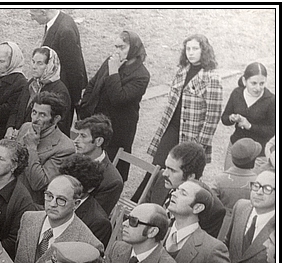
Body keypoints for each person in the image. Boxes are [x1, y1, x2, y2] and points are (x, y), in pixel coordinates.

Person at [14, 175, 103, 263]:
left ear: (76, 204)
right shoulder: (28, 218)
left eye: (61, 200)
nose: (52, 203)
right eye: (49, 196)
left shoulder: (88, 243)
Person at [147, 34, 224, 173]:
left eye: (195, 48)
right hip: (171, 128)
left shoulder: (212, 78)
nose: (191, 52)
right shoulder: (182, 71)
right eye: (188, 49)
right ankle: (145, 195)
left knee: (181, 174)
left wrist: (199, 146)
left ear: (204, 51)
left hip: (191, 136)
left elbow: (212, 117)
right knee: (157, 167)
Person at [79, 30, 150, 162]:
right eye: (116, 47)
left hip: (118, 129)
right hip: (97, 122)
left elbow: (118, 98)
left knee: (111, 166)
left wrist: (113, 72)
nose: (117, 51)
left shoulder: (141, 75)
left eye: (122, 47)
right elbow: (93, 84)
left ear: (133, 49)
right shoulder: (110, 61)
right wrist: (85, 106)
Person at [164, 180, 235, 263]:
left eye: (183, 193)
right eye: (176, 190)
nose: (174, 194)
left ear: (197, 207)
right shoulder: (161, 230)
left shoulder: (212, 250)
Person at [15, 91, 75, 203]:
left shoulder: (65, 148)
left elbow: (38, 183)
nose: (35, 119)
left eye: (42, 115)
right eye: (34, 112)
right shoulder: (25, 127)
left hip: (29, 201)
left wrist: (31, 147)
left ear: (56, 119)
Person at [227, 170, 276, 263]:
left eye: (267, 189)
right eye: (256, 185)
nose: (259, 192)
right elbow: (226, 244)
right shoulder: (240, 206)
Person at [160, 141, 227, 238]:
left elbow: (198, 248)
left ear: (191, 177)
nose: (164, 174)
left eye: (172, 170)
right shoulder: (161, 180)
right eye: (166, 167)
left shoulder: (213, 210)